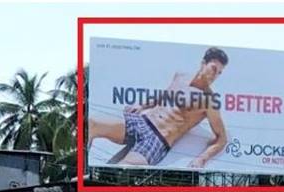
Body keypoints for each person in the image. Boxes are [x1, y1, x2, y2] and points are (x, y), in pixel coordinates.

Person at [88, 47, 229, 168]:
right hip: (142, 122)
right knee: (91, 125)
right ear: (203, 63)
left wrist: (202, 159)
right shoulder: (181, 76)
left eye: (219, 73)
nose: (215, 75)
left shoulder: (210, 101)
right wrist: (142, 105)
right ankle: (80, 170)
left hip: (158, 140)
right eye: (214, 68)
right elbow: (164, 96)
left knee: (124, 168)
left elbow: (222, 138)